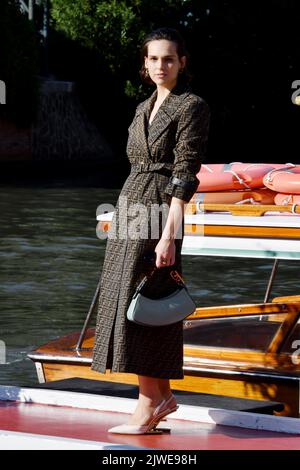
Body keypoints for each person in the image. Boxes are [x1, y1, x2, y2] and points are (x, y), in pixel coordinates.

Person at [91, 27, 210, 434]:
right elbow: (136, 162)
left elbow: (185, 172)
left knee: (148, 305)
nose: (161, 65)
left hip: (160, 210)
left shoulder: (191, 106)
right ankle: (160, 396)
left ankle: (149, 404)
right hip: (130, 206)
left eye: (169, 59)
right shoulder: (143, 107)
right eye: (154, 58)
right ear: (145, 64)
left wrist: (167, 234)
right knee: (131, 301)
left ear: (182, 63)